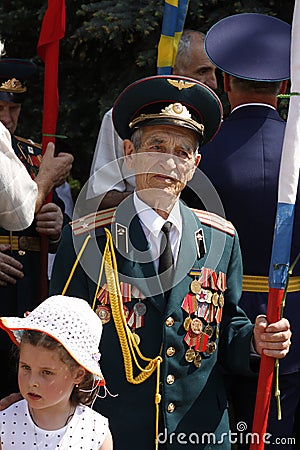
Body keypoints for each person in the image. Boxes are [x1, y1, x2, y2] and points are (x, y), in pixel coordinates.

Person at [49, 75, 291, 450]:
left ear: (195, 164)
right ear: (129, 153)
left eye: (182, 152)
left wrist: (256, 340)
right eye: (157, 146)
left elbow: (227, 326)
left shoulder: (220, 238)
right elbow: (56, 338)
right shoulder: (86, 239)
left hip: (202, 433)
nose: (168, 162)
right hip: (114, 433)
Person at [198, 13, 299, 449]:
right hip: (291, 319)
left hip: (216, 317)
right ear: (281, 86)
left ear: (223, 82)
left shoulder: (201, 155)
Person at [0, 56, 72, 399]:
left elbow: (62, 225)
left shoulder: (34, 154)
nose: (7, 118)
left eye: (14, 109)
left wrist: (58, 226)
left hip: (29, 283)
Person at [86, 29, 218, 208]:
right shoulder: (126, 119)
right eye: (203, 71)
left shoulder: (213, 124)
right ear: (174, 69)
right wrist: (153, 196)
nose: (213, 82)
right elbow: (100, 197)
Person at [0, 294, 113, 449]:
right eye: (26, 367)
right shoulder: (5, 424)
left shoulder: (95, 432)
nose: (32, 382)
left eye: (46, 372)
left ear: (78, 374)